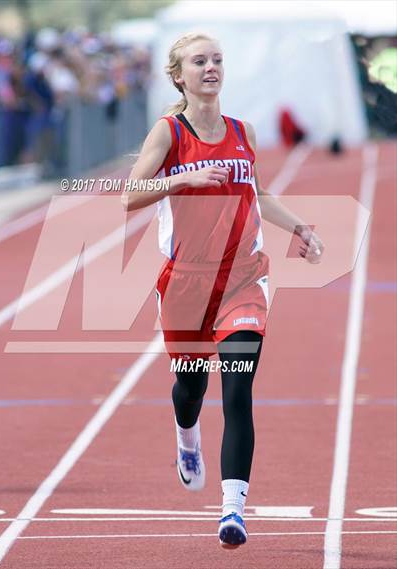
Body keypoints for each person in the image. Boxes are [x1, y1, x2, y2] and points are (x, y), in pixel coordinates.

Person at [122, 32, 323, 549]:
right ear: (178, 75)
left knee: (237, 388)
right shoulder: (168, 132)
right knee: (191, 389)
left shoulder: (243, 132)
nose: (211, 67)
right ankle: (186, 435)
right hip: (187, 285)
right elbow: (130, 196)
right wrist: (180, 180)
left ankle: (233, 509)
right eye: (199, 61)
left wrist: (299, 227)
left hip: (242, 281)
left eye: (217, 60)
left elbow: (260, 192)